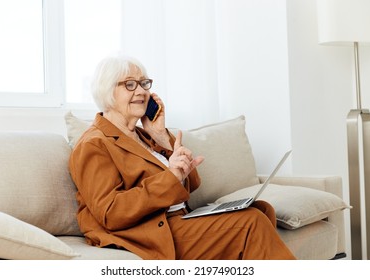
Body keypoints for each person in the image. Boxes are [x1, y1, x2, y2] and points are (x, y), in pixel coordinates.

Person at [69, 55, 296, 260]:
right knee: (250, 223)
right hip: (149, 231)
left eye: (144, 83)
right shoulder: (94, 144)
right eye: (130, 84)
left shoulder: (142, 135)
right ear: (107, 92)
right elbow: (111, 212)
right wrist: (171, 176)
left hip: (177, 220)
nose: (141, 91)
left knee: (261, 210)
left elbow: (192, 184)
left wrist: (160, 136)